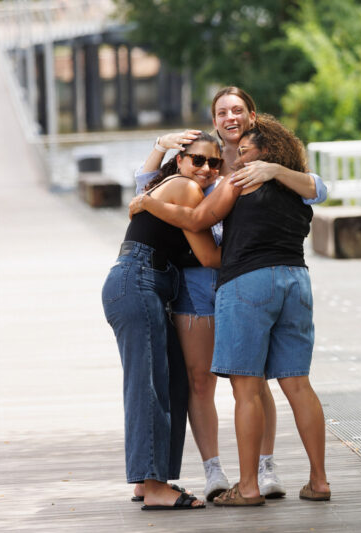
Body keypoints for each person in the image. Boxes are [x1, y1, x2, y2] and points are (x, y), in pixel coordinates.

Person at [134, 86, 327, 500]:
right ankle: (313, 480)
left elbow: (198, 217)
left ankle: (253, 482)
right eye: (222, 111)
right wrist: (157, 155)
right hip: (286, 279)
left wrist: (147, 203)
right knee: (291, 383)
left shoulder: (243, 176)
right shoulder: (284, 184)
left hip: (242, 282)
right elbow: (314, 190)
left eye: (238, 110)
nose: (219, 162)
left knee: (248, 386)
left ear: (254, 124)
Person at [102, 133, 225, 511]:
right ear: (181, 161)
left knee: (171, 383)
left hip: (149, 285)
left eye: (214, 163)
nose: (205, 169)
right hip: (138, 282)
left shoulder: (167, 188)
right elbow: (208, 256)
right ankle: (155, 487)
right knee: (150, 386)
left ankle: (149, 479)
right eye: (197, 160)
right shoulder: (186, 189)